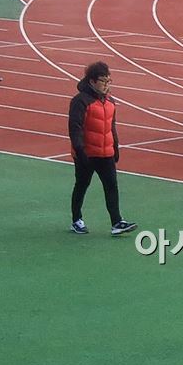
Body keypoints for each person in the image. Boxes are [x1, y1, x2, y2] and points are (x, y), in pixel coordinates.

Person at [68, 61, 137, 236]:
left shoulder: (110, 102)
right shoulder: (80, 101)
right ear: (92, 81)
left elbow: (111, 127)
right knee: (82, 185)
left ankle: (116, 222)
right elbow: (75, 128)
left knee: (111, 185)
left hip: (106, 153)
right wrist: (80, 151)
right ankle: (76, 220)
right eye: (103, 81)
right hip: (87, 154)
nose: (106, 85)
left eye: (108, 81)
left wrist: (115, 147)